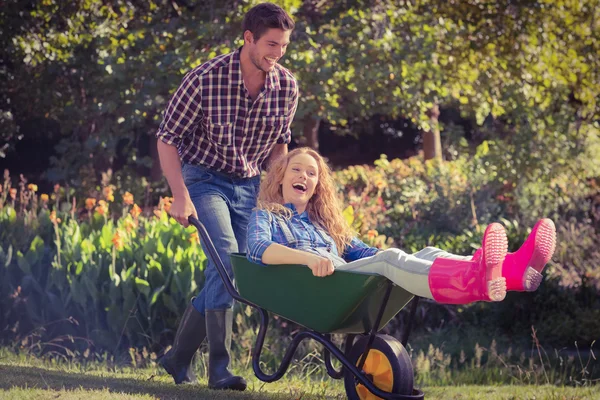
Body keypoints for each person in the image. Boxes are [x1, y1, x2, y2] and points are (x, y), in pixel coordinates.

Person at [155, 3, 297, 391]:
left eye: (284, 46)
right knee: (227, 259)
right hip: (204, 180)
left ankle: (177, 358)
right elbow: (167, 140)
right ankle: (220, 368)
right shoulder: (204, 79)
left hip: (251, 185)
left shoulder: (286, 86)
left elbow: (279, 147)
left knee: (242, 268)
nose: (278, 53)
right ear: (248, 38)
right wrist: (180, 195)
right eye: (271, 44)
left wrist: (276, 198)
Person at [246, 148, 557, 304]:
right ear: (281, 177)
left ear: (317, 185)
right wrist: (310, 258)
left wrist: (413, 260)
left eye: (311, 173)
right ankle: (474, 281)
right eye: (296, 170)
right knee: (389, 259)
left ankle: (509, 271)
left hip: (344, 281)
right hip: (320, 288)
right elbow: (257, 249)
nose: (303, 176)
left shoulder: (322, 222)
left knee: (428, 252)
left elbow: (363, 251)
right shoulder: (268, 216)